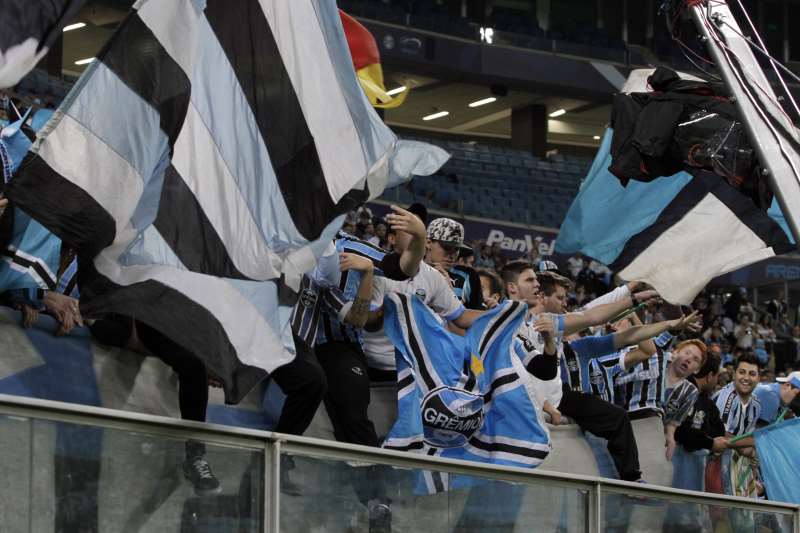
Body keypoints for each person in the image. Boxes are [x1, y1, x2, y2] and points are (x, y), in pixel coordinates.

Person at [664, 350, 727, 533]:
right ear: (710, 376)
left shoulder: (705, 401)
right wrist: (709, 443)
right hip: (673, 479)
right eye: (717, 377)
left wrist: (712, 442)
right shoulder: (683, 390)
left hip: (690, 487)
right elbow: (680, 430)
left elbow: (718, 429)